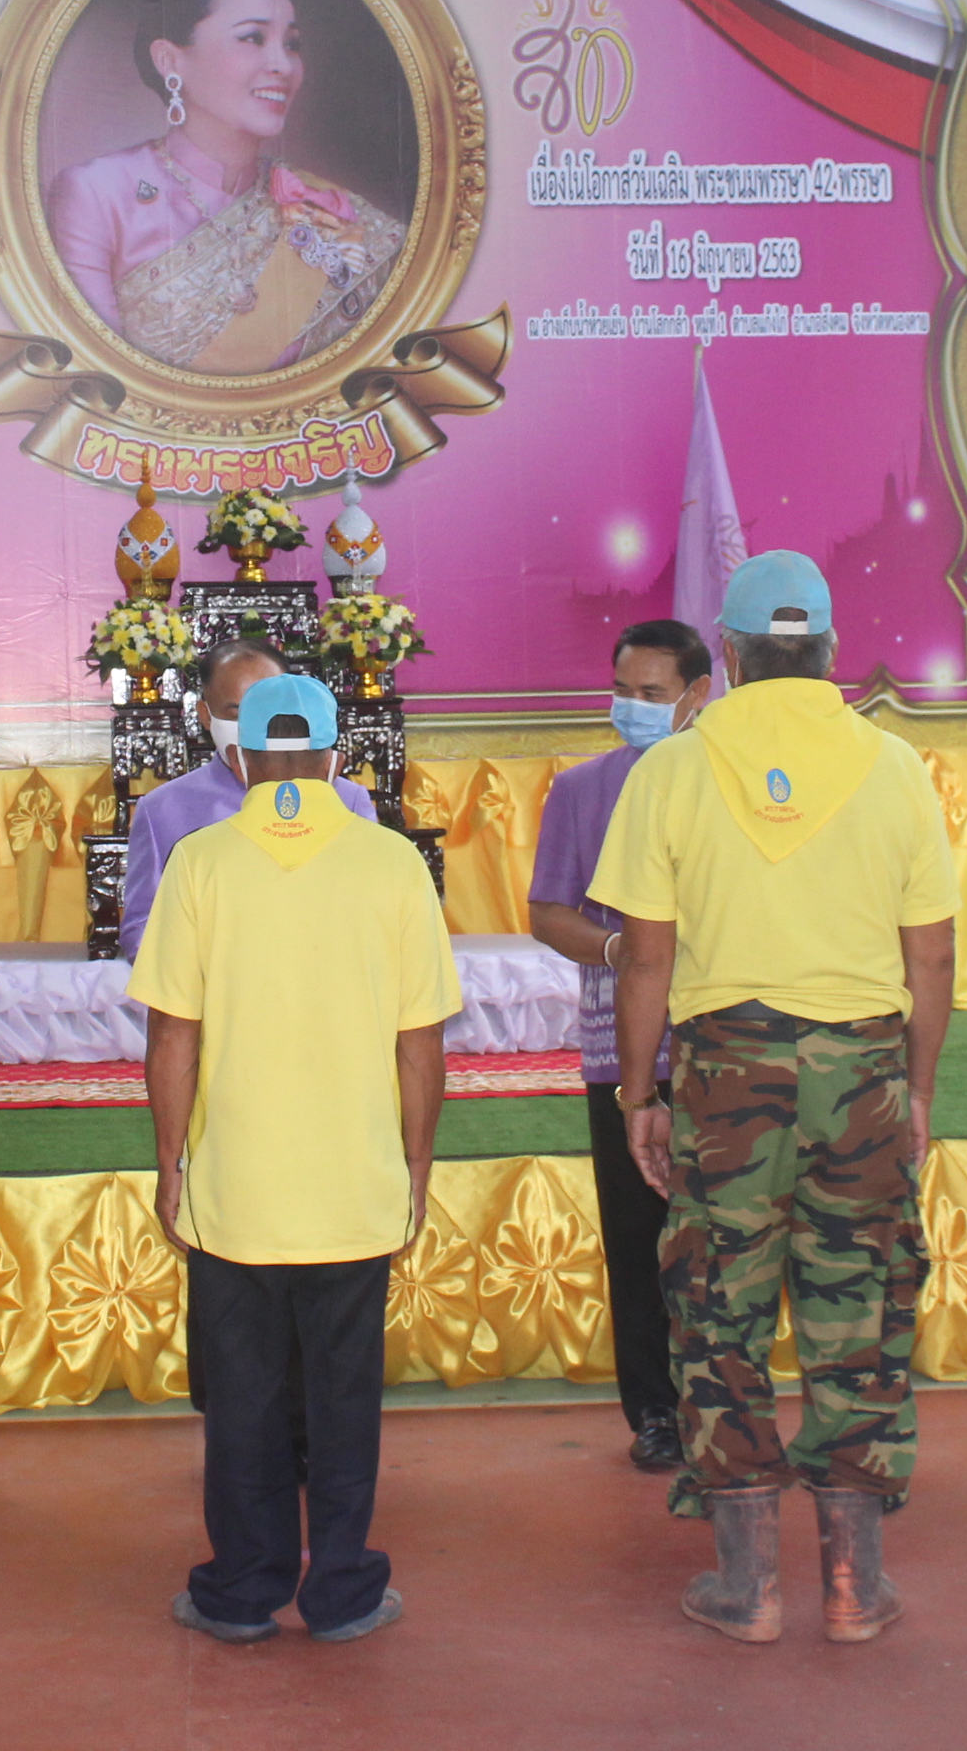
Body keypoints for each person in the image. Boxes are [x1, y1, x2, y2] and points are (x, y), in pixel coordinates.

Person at [594, 553, 959, 1647]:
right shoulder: (895, 767)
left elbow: (645, 963)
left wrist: (637, 1095)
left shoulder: (670, 771)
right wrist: (918, 1090)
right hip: (863, 1075)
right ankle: (853, 1588)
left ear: (736, 653)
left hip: (724, 1076)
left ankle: (747, 1587)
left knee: (719, 1309)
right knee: (862, 1311)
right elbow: (931, 959)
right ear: (832, 649)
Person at [136, 673, 455, 1645]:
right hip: (353, 1187)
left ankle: (241, 1589)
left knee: (241, 1403)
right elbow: (420, 1046)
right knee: (344, 1400)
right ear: (330, 754)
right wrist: (417, 1163)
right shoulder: (390, 862)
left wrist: (170, 1164)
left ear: (242, 756)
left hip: (235, 1191)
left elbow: (172, 1038)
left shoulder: (199, 861)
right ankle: (344, 1591)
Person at [527, 618, 712, 1473]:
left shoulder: (725, 783)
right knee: (637, 1237)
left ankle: (722, 1401)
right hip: (622, 1053)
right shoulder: (581, 789)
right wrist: (618, 952)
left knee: (719, 1234)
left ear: (696, 695)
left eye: (652, 695)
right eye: (623, 691)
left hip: (723, 1045)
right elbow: (548, 910)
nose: (632, 708)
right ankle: (653, 1411)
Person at [45, 0, 407, 372]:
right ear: (169, 60)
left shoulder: (326, 205)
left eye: (292, 44)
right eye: (253, 38)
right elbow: (98, 376)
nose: (283, 65)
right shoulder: (96, 194)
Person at [119, 638, 373, 958]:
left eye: (268, 712)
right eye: (238, 712)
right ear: (205, 715)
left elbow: (375, 910)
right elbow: (140, 927)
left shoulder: (346, 799)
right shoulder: (162, 809)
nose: (255, 727)